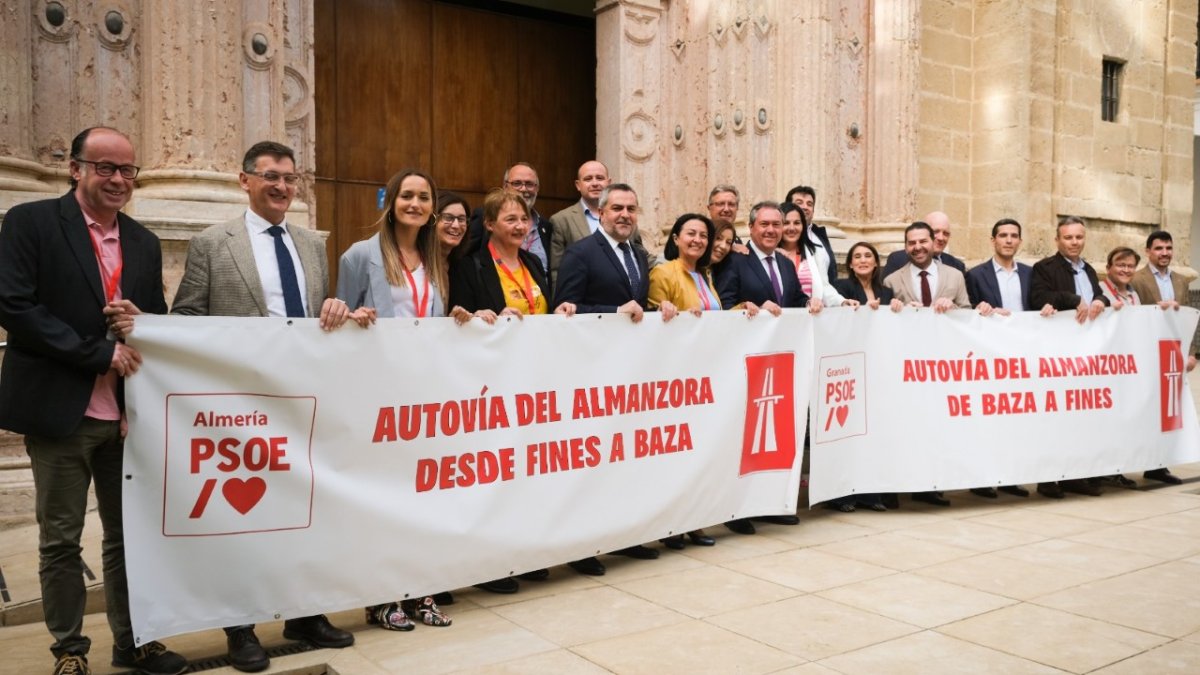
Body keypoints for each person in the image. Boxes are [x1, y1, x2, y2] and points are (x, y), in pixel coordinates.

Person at [0, 127, 188, 675]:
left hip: (125, 420)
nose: (117, 179)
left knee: (128, 538)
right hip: (60, 413)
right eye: (104, 167)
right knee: (60, 540)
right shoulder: (31, 223)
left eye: (127, 170)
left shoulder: (143, 242)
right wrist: (96, 354)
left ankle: (134, 642)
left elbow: (155, 325)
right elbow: (14, 306)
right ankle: (69, 651)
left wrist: (141, 324)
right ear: (75, 168)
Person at [172, 141, 361, 671]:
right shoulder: (213, 243)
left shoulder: (310, 243)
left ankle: (304, 614)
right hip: (241, 405)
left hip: (304, 401)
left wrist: (339, 309)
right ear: (245, 180)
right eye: (271, 176)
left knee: (306, 513)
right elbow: (185, 317)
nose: (282, 186)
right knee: (245, 519)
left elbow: (319, 320)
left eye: (290, 178)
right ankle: (241, 627)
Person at [333, 168, 456, 627]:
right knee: (385, 498)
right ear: (392, 201)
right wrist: (352, 316)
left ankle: (422, 591)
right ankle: (383, 597)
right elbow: (336, 320)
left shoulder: (436, 258)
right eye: (408, 195)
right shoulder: (359, 255)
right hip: (379, 395)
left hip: (425, 395)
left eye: (424, 197)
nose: (415, 204)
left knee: (424, 495)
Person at [555, 183, 678, 574]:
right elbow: (566, 311)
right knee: (593, 465)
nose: (624, 215)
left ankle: (625, 536)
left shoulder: (638, 255)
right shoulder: (581, 253)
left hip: (630, 377)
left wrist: (662, 310)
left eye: (631, 209)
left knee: (626, 461)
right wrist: (612, 309)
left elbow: (639, 308)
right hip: (592, 374)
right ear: (601, 212)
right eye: (617, 208)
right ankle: (583, 547)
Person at [715, 200, 812, 534]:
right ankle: (738, 510)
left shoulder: (786, 264)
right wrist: (750, 307)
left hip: (781, 365)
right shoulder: (734, 261)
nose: (772, 230)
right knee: (744, 438)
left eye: (777, 225)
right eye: (765, 225)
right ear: (752, 227)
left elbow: (795, 301)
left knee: (776, 436)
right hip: (746, 364)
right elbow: (724, 304)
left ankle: (771, 502)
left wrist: (810, 303)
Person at [646, 213, 722, 548]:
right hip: (675, 380)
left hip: (706, 377)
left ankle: (695, 520)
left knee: (698, 454)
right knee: (673, 457)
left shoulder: (704, 274)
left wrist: (742, 310)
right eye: (690, 233)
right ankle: (670, 525)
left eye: (703, 235)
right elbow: (654, 320)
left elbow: (712, 320)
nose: (697, 240)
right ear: (675, 237)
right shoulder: (664, 272)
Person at [884, 221, 972, 507]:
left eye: (923, 241)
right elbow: (883, 322)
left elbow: (968, 315)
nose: (918, 247)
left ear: (934, 243)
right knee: (909, 426)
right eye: (911, 243)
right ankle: (903, 481)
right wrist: (895, 312)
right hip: (908, 369)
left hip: (944, 366)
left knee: (937, 426)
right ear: (905, 246)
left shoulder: (956, 276)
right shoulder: (892, 280)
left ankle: (931, 485)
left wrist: (953, 308)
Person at [1029, 215, 1110, 499]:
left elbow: (1098, 295)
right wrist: (1072, 299)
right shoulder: (1044, 267)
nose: (1074, 242)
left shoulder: (1088, 269)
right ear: (1057, 240)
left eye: (1078, 237)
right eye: (1068, 237)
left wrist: (1102, 300)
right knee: (1055, 417)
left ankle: (1075, 475)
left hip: (1087, 357)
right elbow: (1038, 298)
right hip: (1057, 355)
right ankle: (1049, 479)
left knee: (1081, 417)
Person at [963, 218, 1033, 498]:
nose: (1008, 240)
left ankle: (1010, 477)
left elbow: (1036, 306)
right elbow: (968, 311)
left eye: (1014, 236)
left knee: (1015, 420)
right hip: (989, 358)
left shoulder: (1029, 273)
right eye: (1002, 235)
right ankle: (982, 478)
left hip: (1021, 356)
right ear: (993, 240)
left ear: (1020, 241)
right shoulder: (976, 275)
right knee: (987, 419)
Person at [820, 242, 890, 512]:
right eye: (857, 256)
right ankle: (841, 495)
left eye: (868, 256)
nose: (862, 260)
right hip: (847, 368)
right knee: (845, 432)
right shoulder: (841, 288)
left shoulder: (887, 290)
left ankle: (869, 493)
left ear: (875, 262)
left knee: (872, 432)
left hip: (876, 368)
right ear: (849, 263)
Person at [548, 160, 654, 283]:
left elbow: (642, 257)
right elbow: (556, 270)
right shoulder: (562, 220)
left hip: (626, 292)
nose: (595, 183)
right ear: (578, 185)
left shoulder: (625, 218)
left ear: (608, 182)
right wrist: (560, 300)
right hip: (586, 295)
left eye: (600, 178)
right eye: (588, 179)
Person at [465, 163, 552, 274]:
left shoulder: (546, 226)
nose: (523, 189)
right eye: (517, 183)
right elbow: (466, 256)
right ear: (505, 187)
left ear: (537, 188)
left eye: (529, 184)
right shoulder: (485, 215)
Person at [777, 203, 856, 309]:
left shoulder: (815, 252)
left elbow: (824, 287)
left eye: (797, 223)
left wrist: (842, 302)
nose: (792, 228)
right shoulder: (770, 255)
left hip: (809, 319)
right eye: (786, 223)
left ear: (803, 226)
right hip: (776, 321)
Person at [882, 211, 966, 277]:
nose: (941, 238)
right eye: (935, 232)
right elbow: (885, 294)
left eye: (946, 233)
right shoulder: (898, 260)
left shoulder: (957, 266)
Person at [783, 185, 838, 282]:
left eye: (809, 204)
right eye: (799, 203)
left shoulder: (820, 235)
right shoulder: (779, 235)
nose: (805, 207)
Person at [436, 191, 471, 264]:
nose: (456, 225)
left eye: (461, 219)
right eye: (448, 218)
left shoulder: (465, 266)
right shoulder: (417, 264)